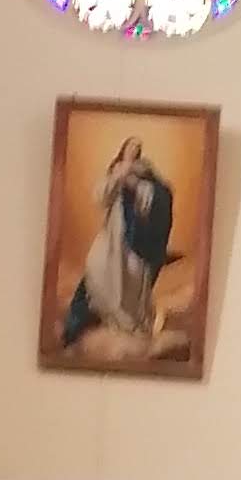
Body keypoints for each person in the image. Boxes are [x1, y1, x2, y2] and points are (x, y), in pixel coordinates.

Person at [61, 136, 177, 353]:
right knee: (97, 269)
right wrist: (118, 176)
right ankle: (94, 325)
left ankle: (130, 328)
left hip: (135, 242)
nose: (134, 150)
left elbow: (157, 198)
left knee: (132, 283)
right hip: (112, 237)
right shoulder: (116, 170)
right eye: (131, 147)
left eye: (137, 148)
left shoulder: (145, 172)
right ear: (123, 149)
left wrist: (135, 184)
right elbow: (101, 196)